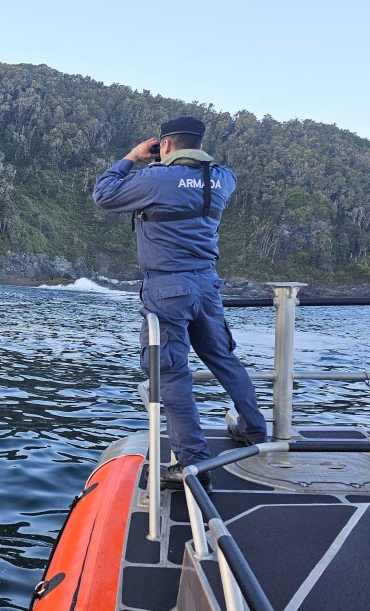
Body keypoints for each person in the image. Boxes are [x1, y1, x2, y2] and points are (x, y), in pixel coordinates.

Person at [92, 116, 268, 491]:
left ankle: (192, 463)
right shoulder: (222, 178)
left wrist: (134, 157)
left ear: (165, 144)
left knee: (171, 371)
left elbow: (105, 194)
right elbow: (194, 181)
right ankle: (253, 429)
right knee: (222, 356)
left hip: (167, 287)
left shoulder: (155, 179)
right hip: (207, 285)